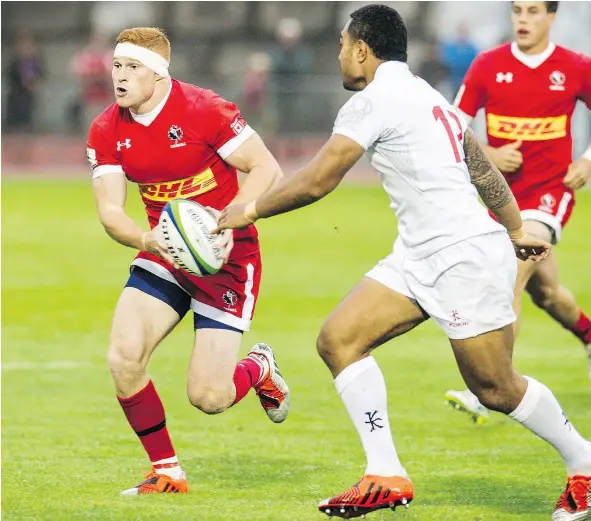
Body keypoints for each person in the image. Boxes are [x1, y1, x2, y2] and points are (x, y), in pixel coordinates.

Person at [215, 5, 591, 520]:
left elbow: (321, 177)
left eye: (344, 45)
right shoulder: (422, 92)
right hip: (420, 252)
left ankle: (584, 463)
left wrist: (249, 209)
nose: (340, 55)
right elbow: (481, 165)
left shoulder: (376, 99)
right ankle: (385, 474)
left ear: (363, 50)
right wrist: (514, 228)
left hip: (461, 256)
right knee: (339, 339)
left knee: (496, 387)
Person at [86, 27, 290, 496]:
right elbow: (111, 212)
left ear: (158, 74)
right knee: (123, 357)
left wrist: (230, 222)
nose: (120, 76)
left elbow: (267, 169)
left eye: (132, 67)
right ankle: (167, 471)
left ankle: (258, 368)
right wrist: (147, 239)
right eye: (116, 65)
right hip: (165, 251)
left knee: (209, 397)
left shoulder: (205, 109)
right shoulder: (106, 128)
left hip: (228, 259)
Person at [446, 0, 591, 424]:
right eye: (517, 11)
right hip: (500, 201)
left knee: (509, 270)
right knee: (545, 293)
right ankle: (587, 332)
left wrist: (586, 160)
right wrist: (487, 151)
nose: (523, 20)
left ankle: (490, 386)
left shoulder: (575, 66)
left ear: (551, 16)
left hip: (549, 196)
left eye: (532, 11)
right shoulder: (487, 66)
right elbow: (453, 125)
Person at [4, 29, 44, 132]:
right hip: (16, 99)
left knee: (27, 127)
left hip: (29, 99)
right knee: (14, 129)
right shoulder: (13, 62)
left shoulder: (35, 61)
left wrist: (36, 86)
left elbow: (40, 76)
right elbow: (13, 79)